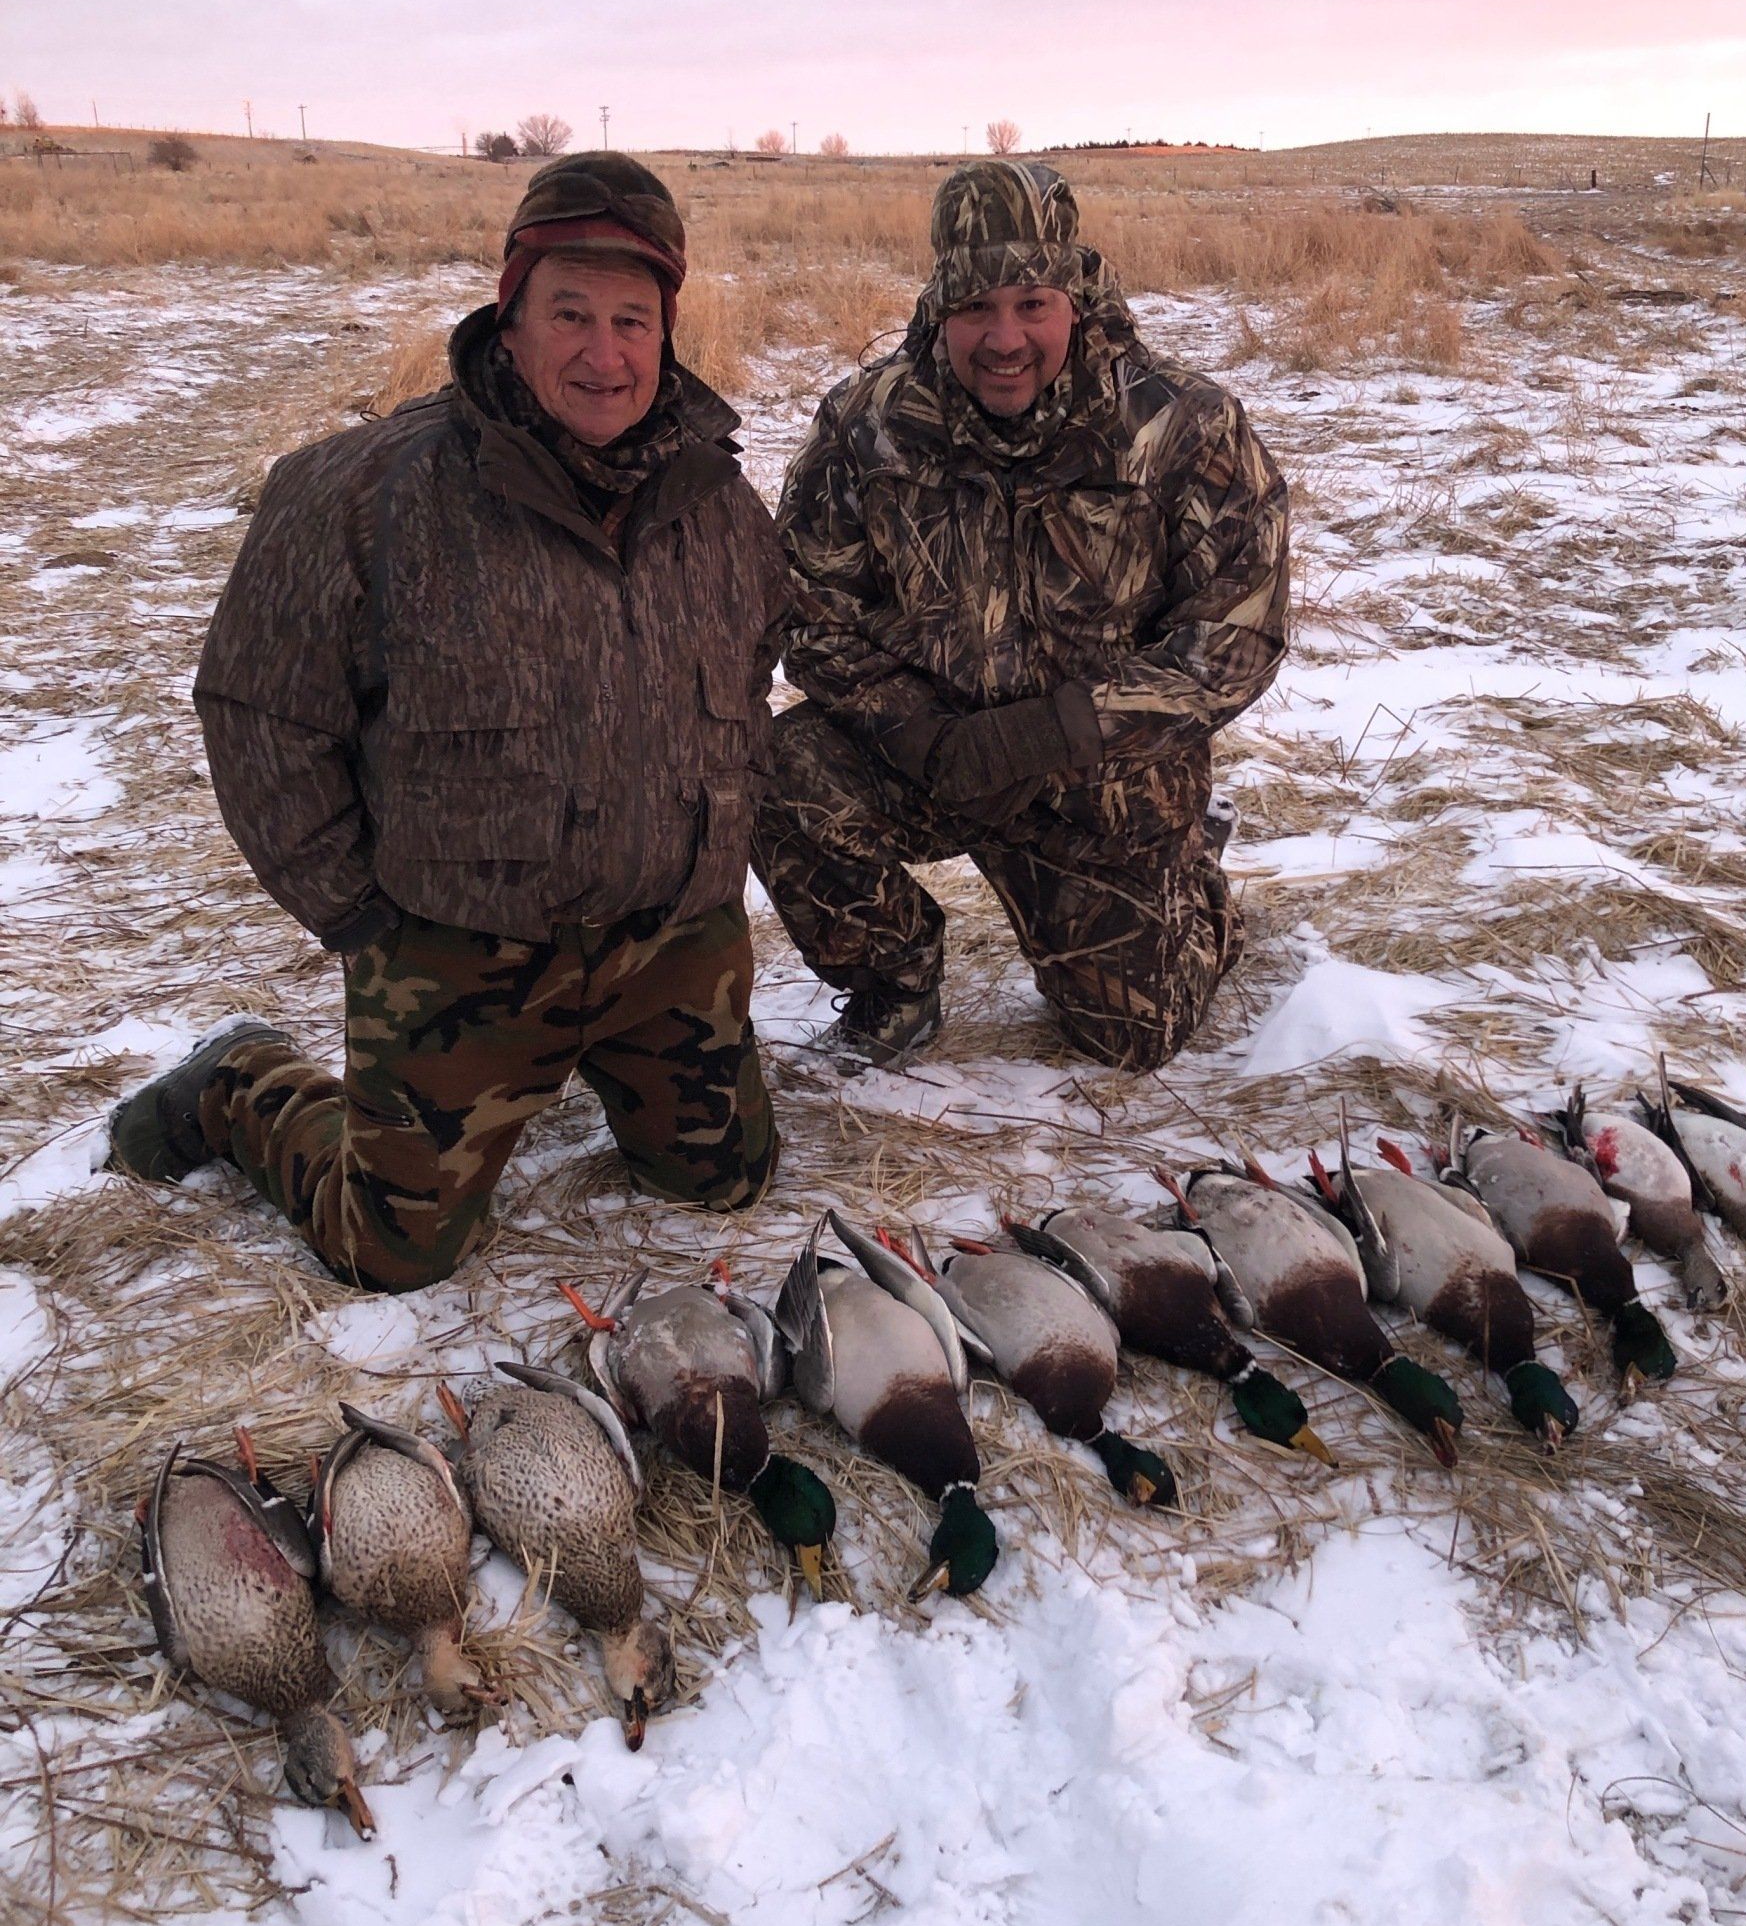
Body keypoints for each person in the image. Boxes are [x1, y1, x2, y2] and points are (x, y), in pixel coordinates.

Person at [108, 153, 781, 1289]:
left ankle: (612, 1061)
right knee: (393, 1255)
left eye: (633, 318)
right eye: (569, 312)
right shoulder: (361, 493)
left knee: (724, 1187)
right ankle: (240, 1084)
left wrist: (702, 847)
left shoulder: (718, 503)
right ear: (508, 316)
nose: (604, 353)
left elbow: (753, 676)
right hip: (456, 951)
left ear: (668, 331)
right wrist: (363, 919)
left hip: (668, 942)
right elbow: (258, 713)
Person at [751, 157, 1290, 1073]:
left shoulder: (1182, 424)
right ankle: (897, 982)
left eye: (1030, 304)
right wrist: (917, 733)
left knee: (1135, 1039)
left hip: (1095, 781)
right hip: (925, 759)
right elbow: (803, 606)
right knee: (763, 768)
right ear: (938, 309)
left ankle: (1191, 877)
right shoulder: (867, 421)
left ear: (1075, 296)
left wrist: (1048, 734)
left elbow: (1235, 638)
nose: (1004, 338)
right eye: (975, 310)